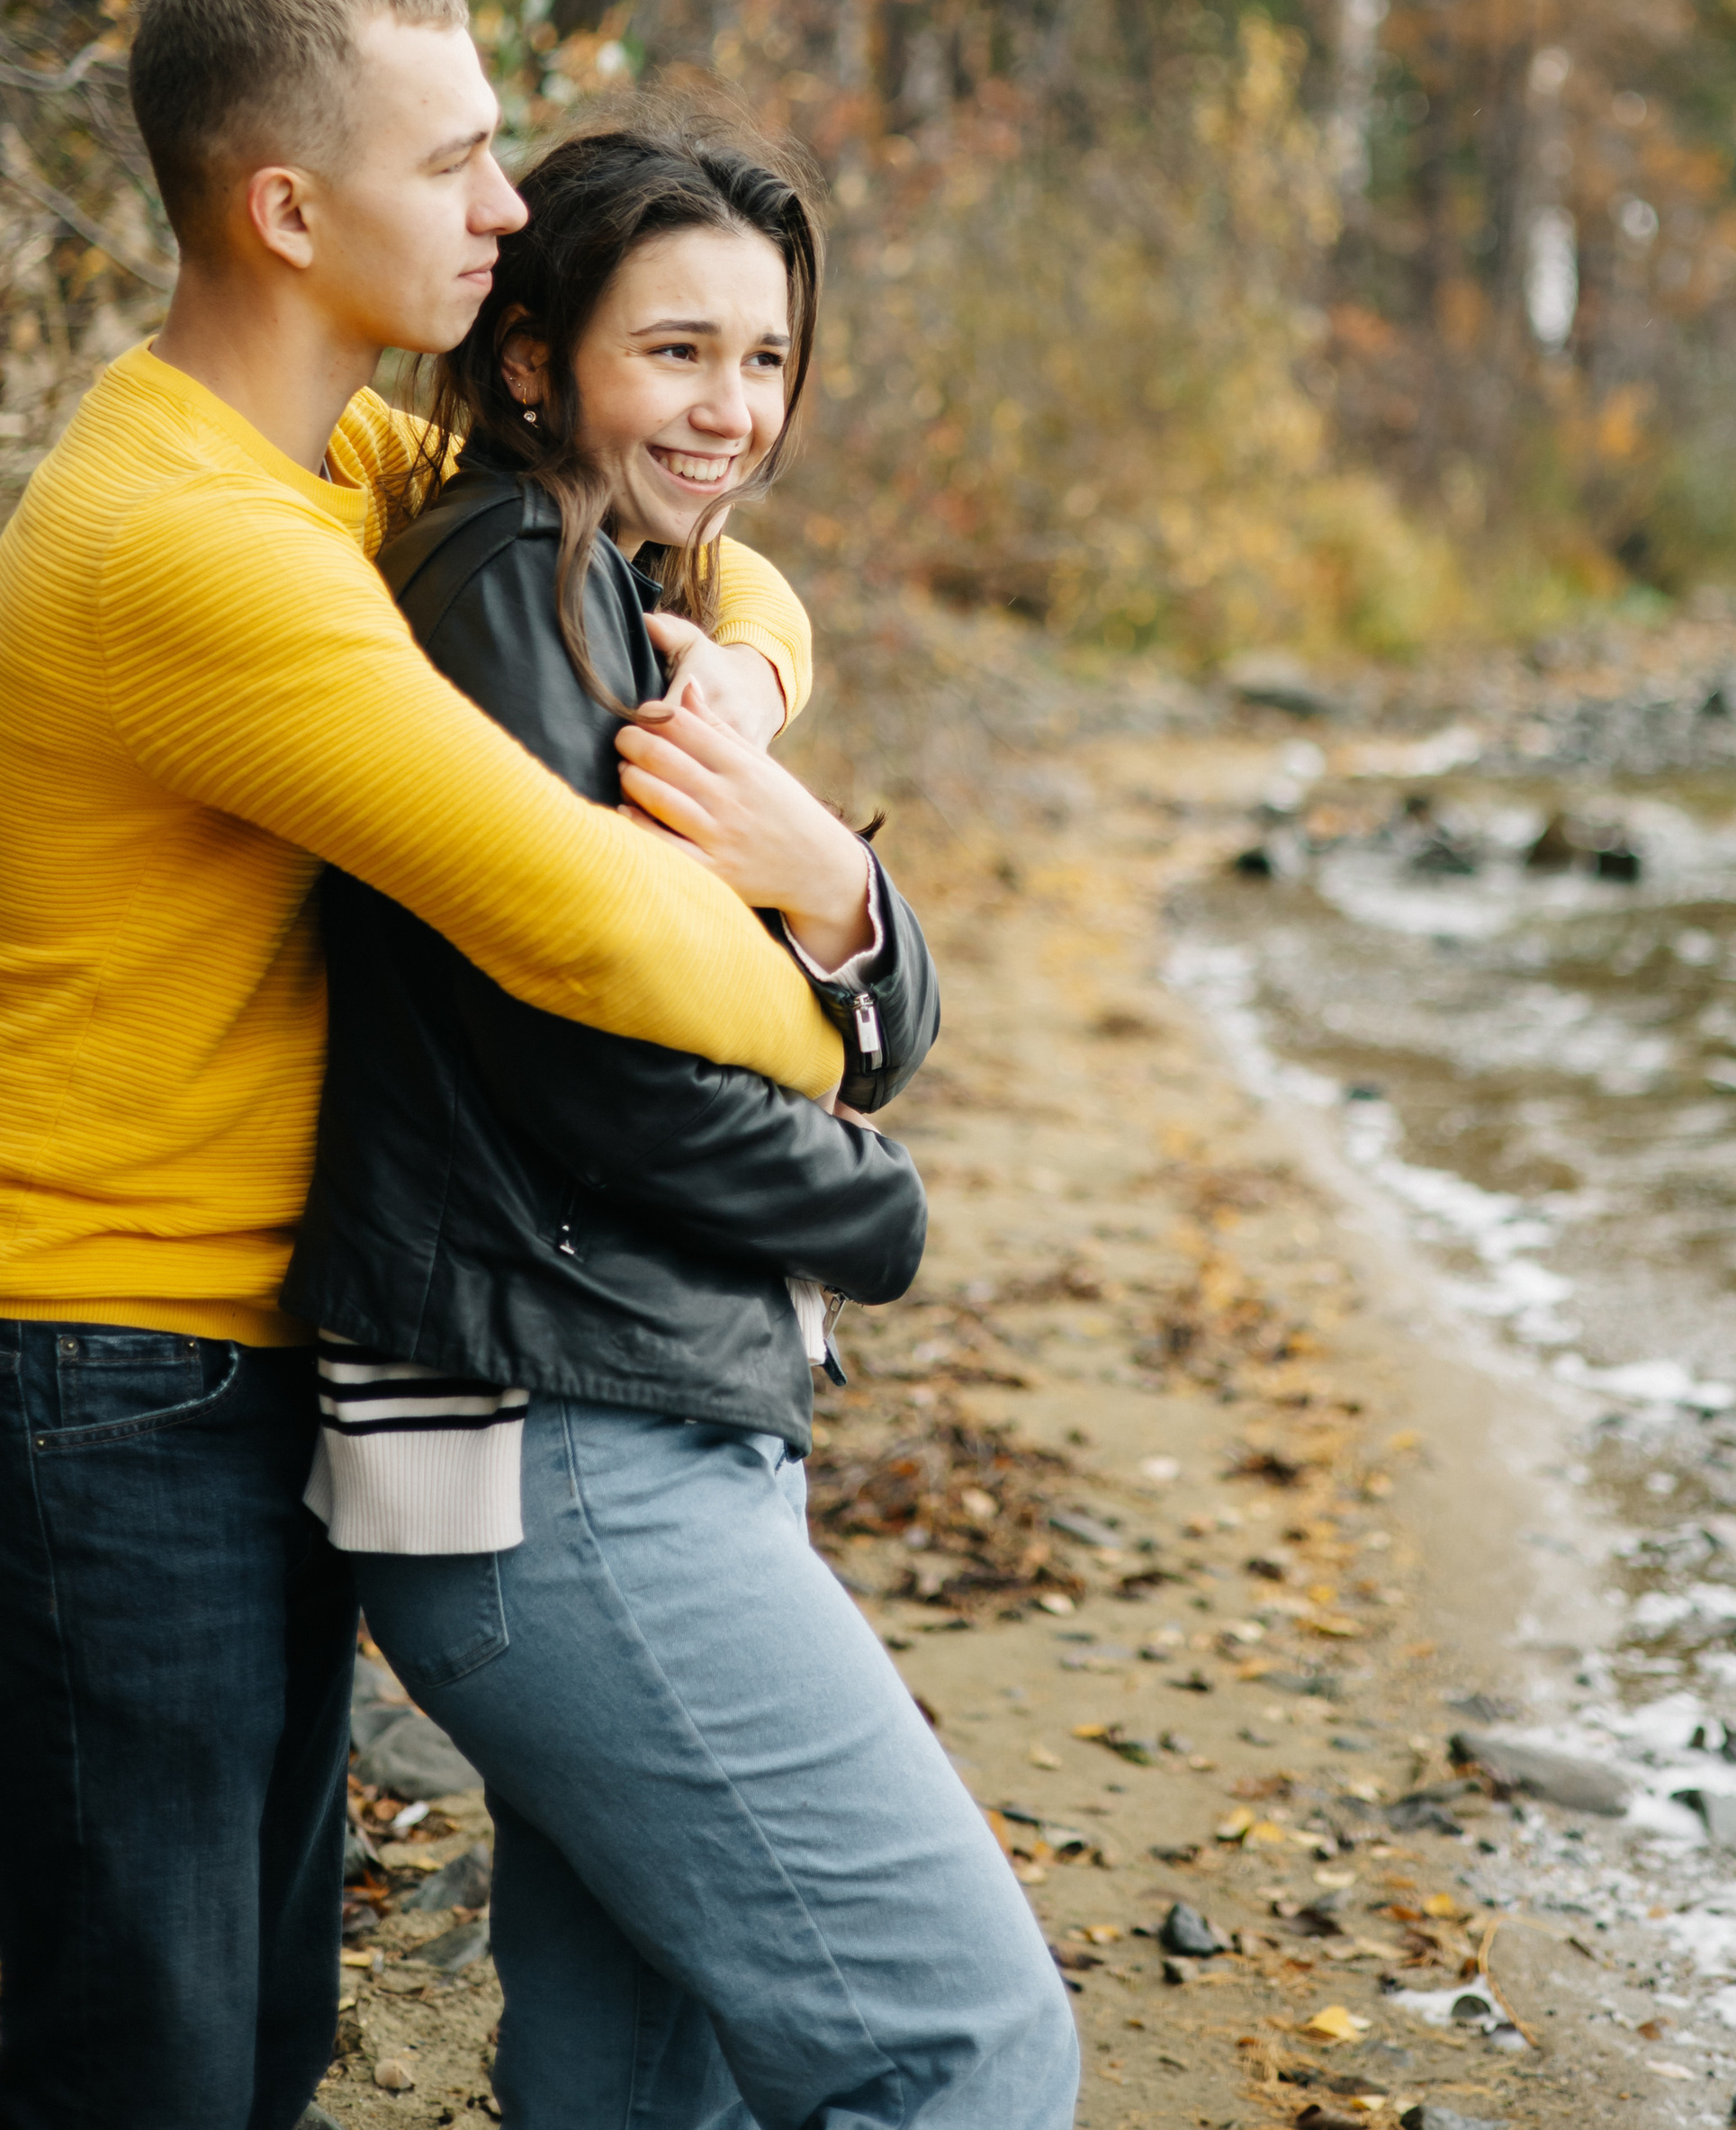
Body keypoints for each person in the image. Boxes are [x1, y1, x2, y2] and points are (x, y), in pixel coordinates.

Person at [0, 0, 857, 2130]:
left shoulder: (329, 463)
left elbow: (718, 559)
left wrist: (733, 691)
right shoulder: (194, 544)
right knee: (152, 2061)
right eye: (461, 161)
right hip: (96, 1368)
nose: (504, 211)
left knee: (254, 2036)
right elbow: (577, 922)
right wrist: (848, 996)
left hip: (227, 1350)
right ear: (289, 209)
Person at [289, 113, 1080, 2130]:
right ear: (536, 351)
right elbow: (586, 1046)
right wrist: (871, 1214)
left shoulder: (640, 597)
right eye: (676, 352)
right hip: (553, 1445)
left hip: (627, 1415)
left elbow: (869, 1002)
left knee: (647, 2078)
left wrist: (835, 885)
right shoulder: (507, 583)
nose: (731, 408)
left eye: (765, 358)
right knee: (963, 2051)